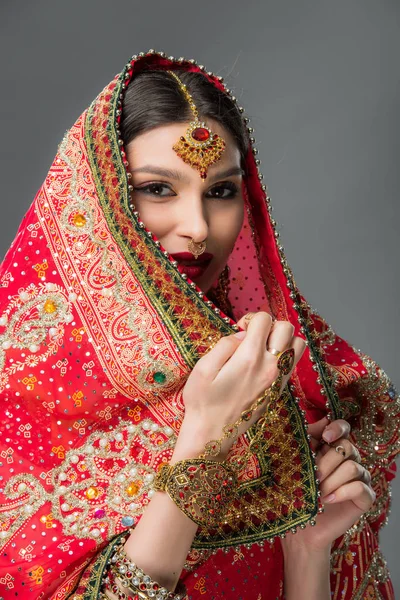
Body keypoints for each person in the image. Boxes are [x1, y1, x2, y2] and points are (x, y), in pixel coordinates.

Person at [0, 49, 397, 600]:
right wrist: (206, 437)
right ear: (95, 202)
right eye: (158, 189)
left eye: (221, 192)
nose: (198, 227)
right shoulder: (21, 397)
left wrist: (308, 553)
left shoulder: (296, 394)